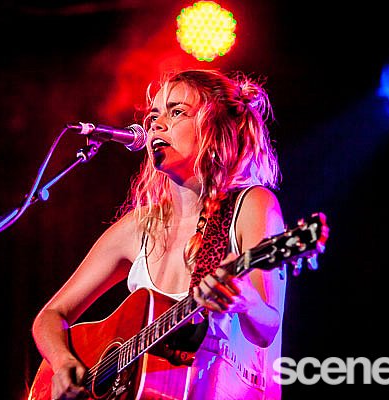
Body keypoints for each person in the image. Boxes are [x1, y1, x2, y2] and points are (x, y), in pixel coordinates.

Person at [31, 68, 287, 400]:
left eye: (176, 112)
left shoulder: (252, 205)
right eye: (153, 116)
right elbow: (50, 316)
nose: (156, 124)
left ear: (216, 127)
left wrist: (245, 299)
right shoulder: (139, 227)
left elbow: (267, 329)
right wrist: (63, 362)